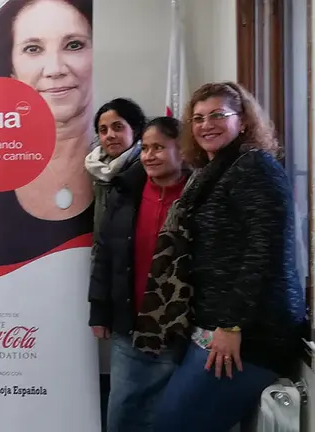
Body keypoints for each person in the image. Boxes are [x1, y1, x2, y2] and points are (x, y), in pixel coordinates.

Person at [133, 82, 306, 431]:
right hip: (215, 327)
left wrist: (231, 324)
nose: (205, 124)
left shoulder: (253, 167)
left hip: (249, 333)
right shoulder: (213, 172)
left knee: (172, 423)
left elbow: (262, 252)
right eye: (197, 118)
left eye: (217, 115)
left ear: (242, 121)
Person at [0, 0, 94, 267]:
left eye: (74, 45)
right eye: (33, 49)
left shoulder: (125, 172)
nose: (55, 69)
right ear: (10, 68)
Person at [89, 117, 188, 431]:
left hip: (179, 332)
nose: (149, 156)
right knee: (122, 413)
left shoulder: (200, 197)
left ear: (182, 151)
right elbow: (105, 254)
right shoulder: (125, 192)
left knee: (167, 416)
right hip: (129, 327)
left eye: (159, 147)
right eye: (145, 148)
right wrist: (100, 311)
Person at [86, 98, 146, 247]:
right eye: (103, 130)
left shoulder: (146, 169)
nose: (110, 135)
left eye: (118, 127)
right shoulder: (96, 169)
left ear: (135, 129)